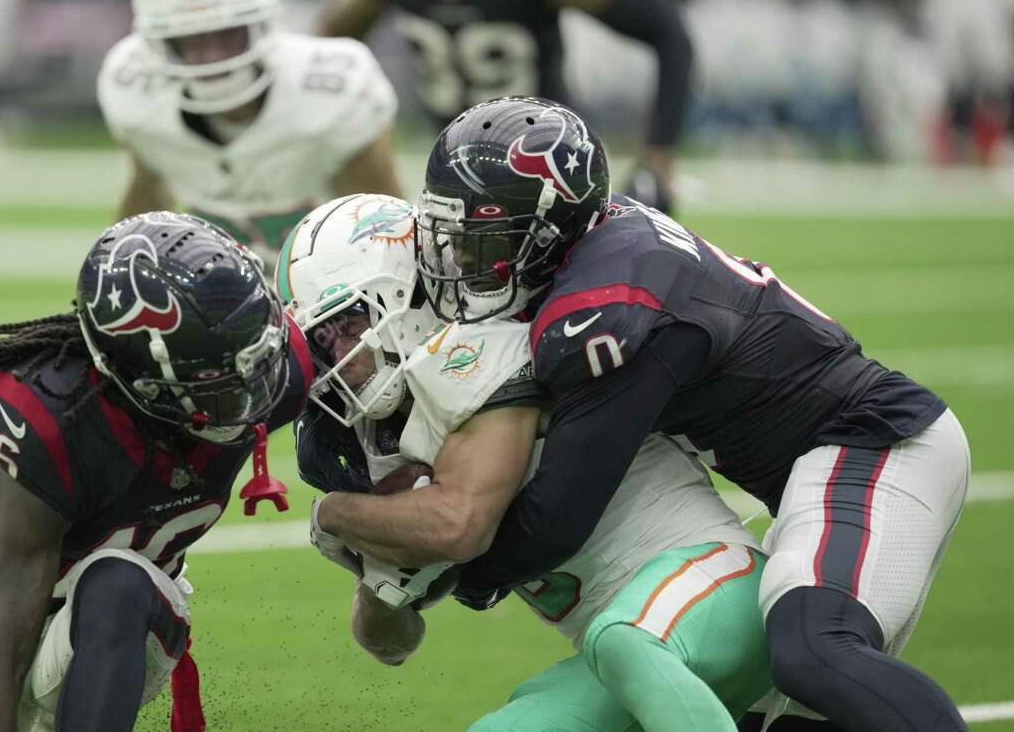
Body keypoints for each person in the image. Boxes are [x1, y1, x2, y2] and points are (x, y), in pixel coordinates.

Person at [408, 96, 970, 731]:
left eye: (487, 241)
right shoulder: (598, 246)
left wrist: (456, 568)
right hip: (818, 471)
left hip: (874, 442)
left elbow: (560, 515)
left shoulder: (604, 309)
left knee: (813, 649)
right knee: (776, 711)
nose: (464, 264)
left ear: (547, 230)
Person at [281, 194, 773, 730]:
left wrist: (333, 515)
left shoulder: (482, 346)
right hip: (622, 646)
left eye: (347, 325)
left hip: (714, 586)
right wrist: (380, 584)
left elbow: (456, 525)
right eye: (321, 346)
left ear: (403, 291)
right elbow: (392, 645)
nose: (336, 363)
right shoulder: (374, 444)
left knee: (622, 642)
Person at [0, 212, 312, 732]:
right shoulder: (51, 422)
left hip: (123, 626)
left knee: (119, 583)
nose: (254, 390)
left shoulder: (273, 368)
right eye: (218, 380)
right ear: (142, 381)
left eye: (256, 358)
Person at [318, 0, 693, 213]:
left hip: (550, 171)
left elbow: (668, 32)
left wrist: (658, 160)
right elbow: (326, 52)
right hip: (453, 174)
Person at [98, 0, 402, 265]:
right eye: (191, 39)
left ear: (262, 23)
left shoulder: (333, 94)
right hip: (220, 296)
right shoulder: (137, 94)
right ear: (162, 42)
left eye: (227, 34)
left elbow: (387, 231)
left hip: (332, 293)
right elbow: (147, 194)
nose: (212, 57)